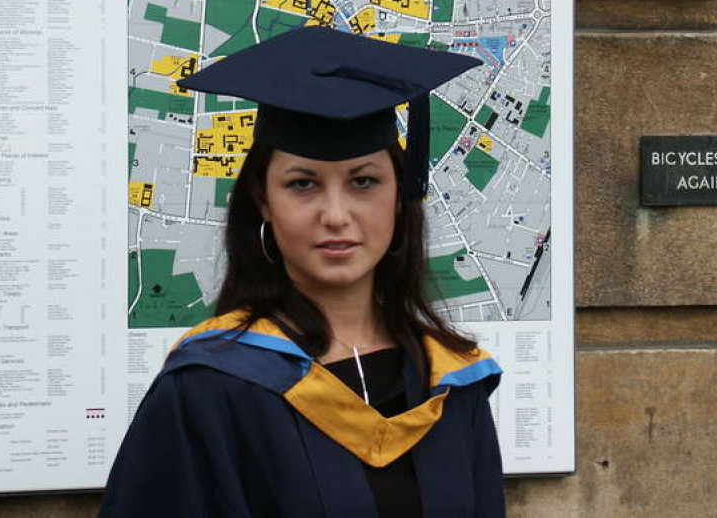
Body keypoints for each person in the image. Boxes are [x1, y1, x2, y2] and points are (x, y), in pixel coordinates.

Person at [100, 26, 504, 517]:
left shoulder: (452, 383)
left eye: (363, 181)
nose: (336, 215)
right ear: (263, 201)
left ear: (401, 197)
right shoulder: (210, 388)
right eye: (303, 184)